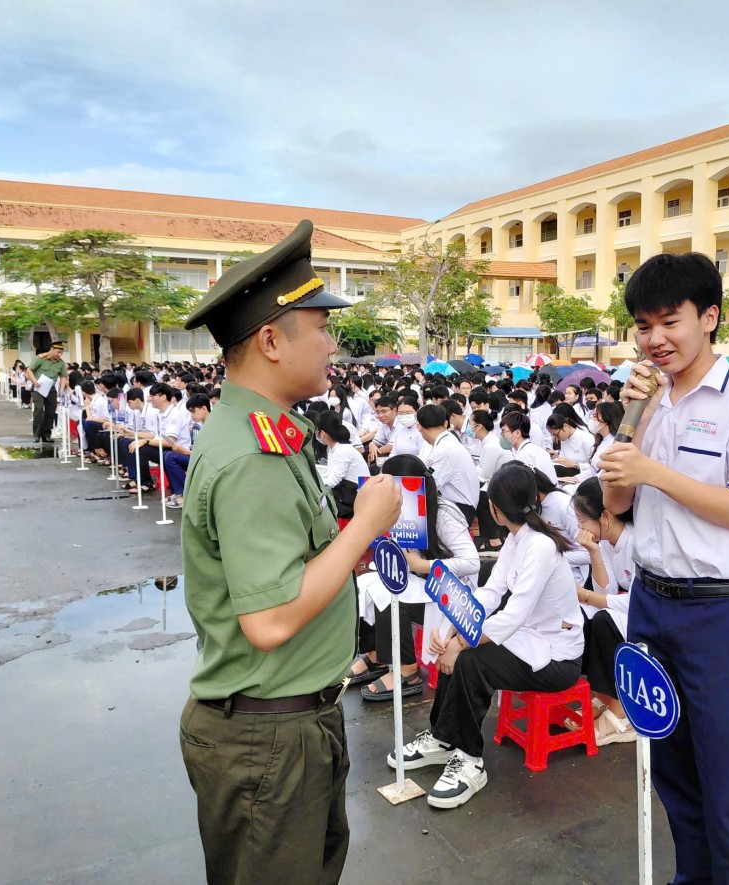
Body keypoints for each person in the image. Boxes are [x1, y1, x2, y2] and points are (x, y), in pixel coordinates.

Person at [176, 220, 402, 883]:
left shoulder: (265, 433)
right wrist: (363, 526)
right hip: (268, 740)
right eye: (320, 326)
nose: (333, 343)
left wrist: (342, 553)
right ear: (271, 340)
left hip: (287, 725)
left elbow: (289, 567)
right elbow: (270, 620)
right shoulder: (254, 454)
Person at [598, 253, 729, 884]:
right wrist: (635, 435)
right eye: (643, 325)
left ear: (709, 317)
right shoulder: (648, 402)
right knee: (671, 770)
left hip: (716, 610)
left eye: (668, 321)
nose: (654, 340)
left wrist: (654, 472)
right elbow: (614, 502)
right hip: (650, 602)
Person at [389, 463, 583, 808]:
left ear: (493, 508)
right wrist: (451, 629)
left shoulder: (539, 546)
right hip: (529, 639)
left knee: (472, 661)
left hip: (557, 657)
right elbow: (488, 594)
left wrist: (460, 643)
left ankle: (470, 759)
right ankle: (443, 737)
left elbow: (512, 615)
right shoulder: (518, 538)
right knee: (464, 654)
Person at [355, 454, 480, 701]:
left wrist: (421, 564)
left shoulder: (442, 513)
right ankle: (376, 655)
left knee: (391, 595)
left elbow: (472, 562)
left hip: (449, 594)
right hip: (419, 582)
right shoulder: (395, 510)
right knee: (363, 585)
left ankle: (407, 670)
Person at [572, 477, 638, 745]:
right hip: (630, 610)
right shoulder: (609, 543)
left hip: (653, 618)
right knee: (585, 615)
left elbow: (637, 602)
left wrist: (586, 595)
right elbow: (608, 593)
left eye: (582, 520)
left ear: (605, 516)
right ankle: (605, 695)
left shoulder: (636, 542)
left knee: (602, 618)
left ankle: (622, 714)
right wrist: (594, 553)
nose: (580, 527)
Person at [417, 403, 480, 524]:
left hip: (458, 510)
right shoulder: (447, 440)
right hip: (462, 505)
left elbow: (427, 487)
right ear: (446, 423)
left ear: (419, 426)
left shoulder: (443, 450)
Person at [315, 412, 370, 519]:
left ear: (322, 433)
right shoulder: (333, 449)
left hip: (356, 495)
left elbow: (333, 481)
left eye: (317, 431)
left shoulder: (343, 450)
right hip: (347, 491)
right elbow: (331, 475)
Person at [25, 340, 68, 443]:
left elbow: (63, 376)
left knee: (51, 412)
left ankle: (46, 434)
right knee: (39, 409)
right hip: (38, 388)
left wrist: (61, 389)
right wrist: (34, 381)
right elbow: (29, 370)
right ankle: (36, 434)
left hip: (51, 389)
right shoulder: (40, 359)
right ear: (52, 349)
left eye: (61, 352)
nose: (59, 354)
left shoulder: (61, 363)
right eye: (58, 352)